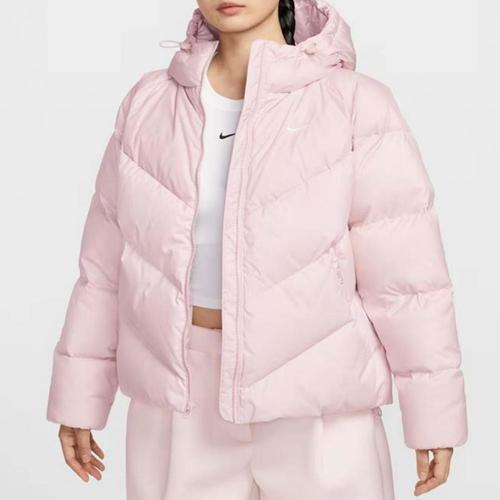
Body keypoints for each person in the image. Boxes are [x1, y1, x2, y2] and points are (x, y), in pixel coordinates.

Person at [46, 1, 468, 498]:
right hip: (181, 403)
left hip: (319, 406)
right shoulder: (149, 104)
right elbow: (104, 271)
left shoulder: (355, 104)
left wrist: (433, 413)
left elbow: (407, 279)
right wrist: (79, 396)